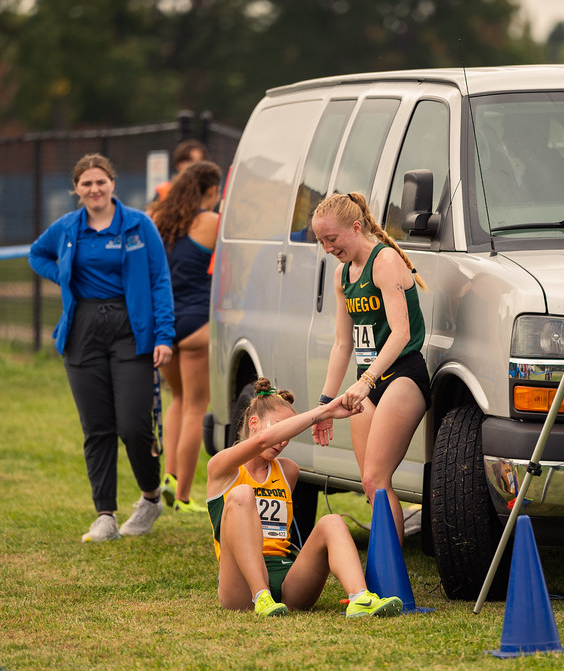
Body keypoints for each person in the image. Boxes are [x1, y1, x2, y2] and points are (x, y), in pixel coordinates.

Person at [28, 154, 175, 543]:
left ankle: (150, 498)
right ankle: (105, 515)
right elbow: (36, 254)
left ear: (112, 184)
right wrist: (61, 275)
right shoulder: (66, 227)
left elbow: (160, 280)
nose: (94, 189)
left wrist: (164, 335)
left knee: (133, 424)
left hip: (132, 331)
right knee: (97, 427)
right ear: (76, 189)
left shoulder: (139, 225)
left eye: (101, 182)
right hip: (83, 331)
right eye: (86, 183)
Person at [205, 377, 403, 618]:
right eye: (278, 429)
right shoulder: (222, 468)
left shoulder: (288, 470)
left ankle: (359, 596)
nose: (283, 441)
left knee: (332, 521)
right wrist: (325, 411)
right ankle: (261, 596)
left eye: (288, 435)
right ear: (253, 423)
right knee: (242, 494)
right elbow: (260, 442)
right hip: (239, 587)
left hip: (289, 581)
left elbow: (267, 440)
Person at [311, 192, 430, 543]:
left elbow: (402, 332)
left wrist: (366, 380)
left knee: (378, 478)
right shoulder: (342, 274)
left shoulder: (385, 260)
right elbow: (342, 344)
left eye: (331, 239)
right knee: (369, 484)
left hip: (402, 375)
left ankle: (390, 581)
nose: (327, 247)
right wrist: (325, 404)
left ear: (356, 227)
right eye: (320, 241)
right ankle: (383, 575)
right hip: (368, 384)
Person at [148, 161, 222, 514]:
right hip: (196, 324)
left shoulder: (155, 219)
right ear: (210, 191)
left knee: (176, 399)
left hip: (162, 325)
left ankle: (170, 478)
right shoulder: (211, 223)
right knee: (195, 407)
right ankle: (182, 497)